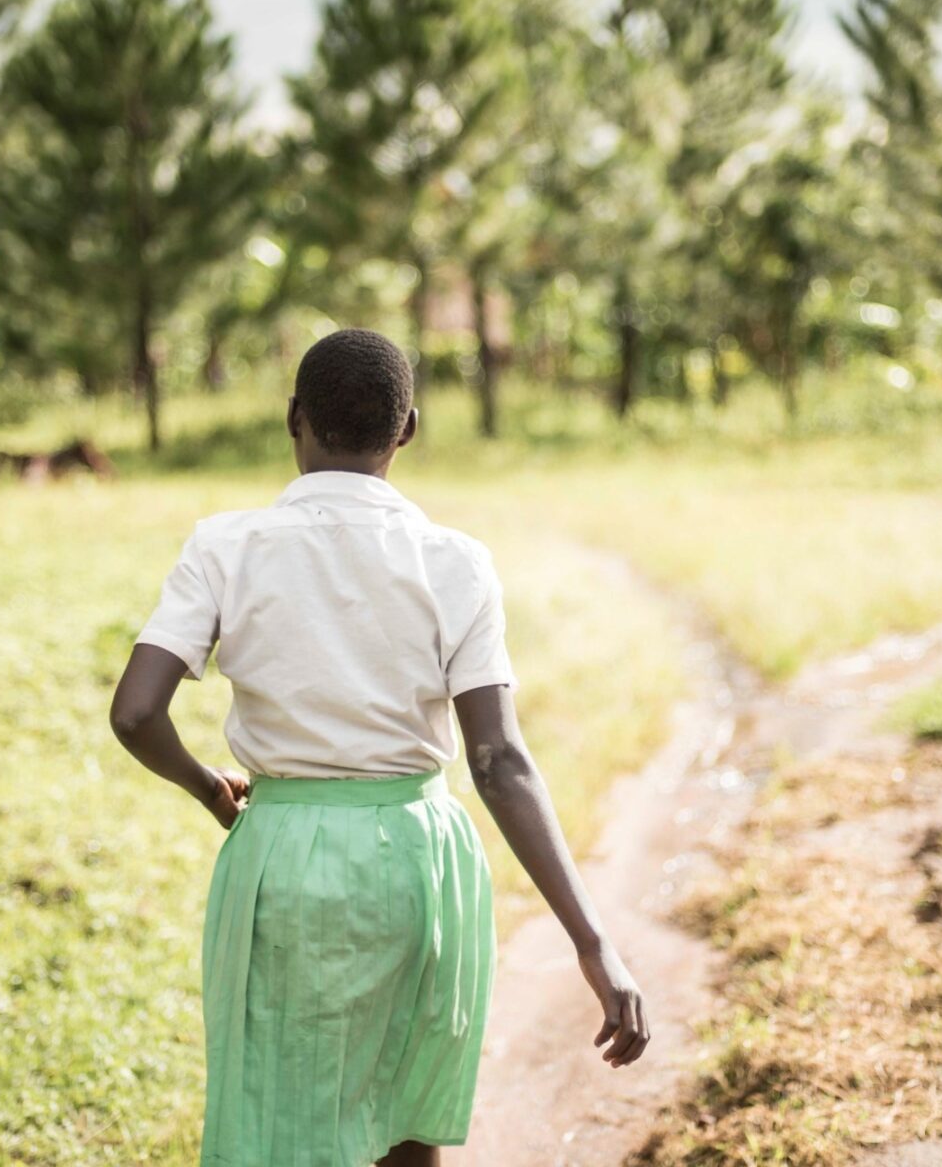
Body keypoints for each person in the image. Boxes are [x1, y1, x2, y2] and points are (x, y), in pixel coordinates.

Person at [109, 328, 648, 1167]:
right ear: (408, 430)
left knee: (278, 1121)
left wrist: (207, 786)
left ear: (294, 419)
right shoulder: (457, 563)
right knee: (405, 1122)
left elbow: (138, 714)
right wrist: (592, 940)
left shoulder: (226, 546)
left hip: (282, 866)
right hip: (421, 864)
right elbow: (498, 760)